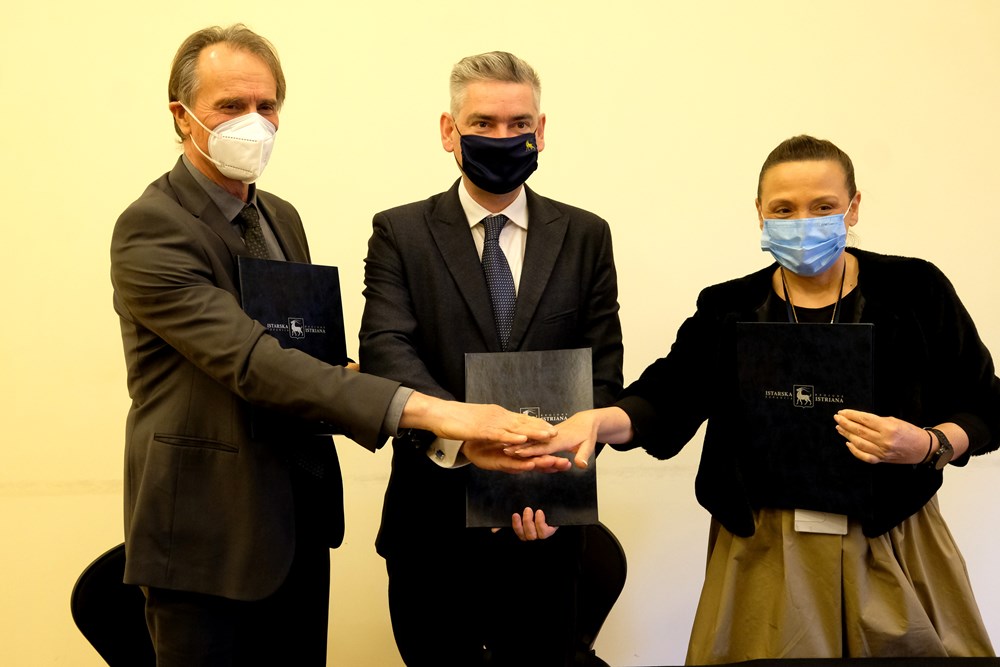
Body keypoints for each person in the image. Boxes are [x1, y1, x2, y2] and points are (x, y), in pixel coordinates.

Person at [110, 26, 561, 666]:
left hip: (297, 524)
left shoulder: (279, 217)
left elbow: (314, 361)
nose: (253, 122)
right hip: (208, 538)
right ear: (182, 117)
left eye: (266, 105)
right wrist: (445, 414)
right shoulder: (152, 227)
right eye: (230, 106)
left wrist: (452, 440)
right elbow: (256, 364)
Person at [513, 135, 1000, 662]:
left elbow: (988, 406)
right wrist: (595, 421)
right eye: (784, 209)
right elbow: (666, 398)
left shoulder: (915, 290)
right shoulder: (729, 307)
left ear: (853, 206)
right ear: (760, 213)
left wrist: (929, 445)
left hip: (893, 539)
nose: (803, 222)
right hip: (764, 548)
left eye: (823, 207)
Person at [359, 51, 624, 666]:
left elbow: (601, 374)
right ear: (449, 131)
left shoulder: (586, 236)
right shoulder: (400, 232)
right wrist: (464, 440)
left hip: (547, 527)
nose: (503, 138)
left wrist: (552, 479)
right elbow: (387, 352)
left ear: (540, 129)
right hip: (431, 528)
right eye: (483, 123)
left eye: (518, 123)